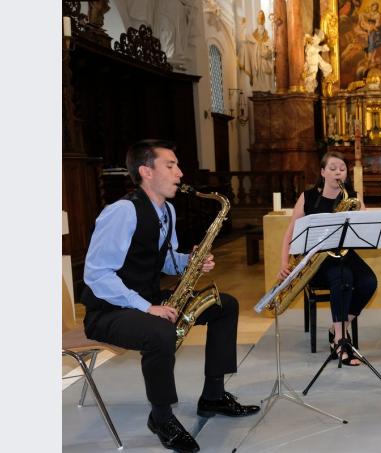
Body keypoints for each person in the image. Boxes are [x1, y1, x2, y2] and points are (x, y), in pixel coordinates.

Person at [81, 140, 259, 453]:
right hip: (108, 311)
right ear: (146, 172)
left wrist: (191, 261)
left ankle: (214, 395)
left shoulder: (168, 212)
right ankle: (161, 417)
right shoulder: (122, 212)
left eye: (177, 165)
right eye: (170, 165)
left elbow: (164, 261)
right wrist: (147, 307)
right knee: (159, 330)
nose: (180, 172)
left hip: (146, 299)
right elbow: (96, 274)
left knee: (224, 305)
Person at [278, 151, 378, 366]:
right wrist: (284, 263)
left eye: (342, 169)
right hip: (317, 259)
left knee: (370, 282)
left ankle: (337, 328)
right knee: (343, 279)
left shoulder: (351, 196)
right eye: (332, 168)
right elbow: (290, 232)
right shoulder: (308, 196)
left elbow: (365, 226)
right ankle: (341, 342)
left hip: (345, 254)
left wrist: (362, 212)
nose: (337, 173)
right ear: (323, 172)